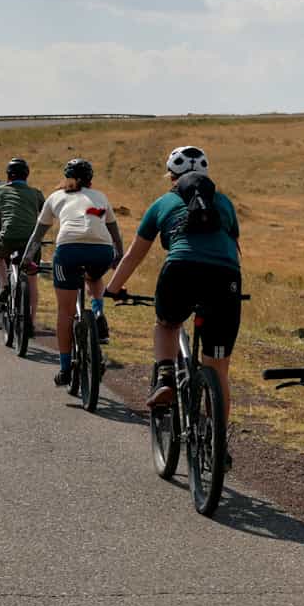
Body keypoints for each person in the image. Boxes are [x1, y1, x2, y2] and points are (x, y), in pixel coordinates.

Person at [103, 146, 242, 424]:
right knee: (218, 367)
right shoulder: (224, 203)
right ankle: (219, 444)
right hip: (226, 277)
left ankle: (166, 376)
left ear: (171, 176)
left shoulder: (162, 203)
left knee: (167, 323)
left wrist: (113, 288)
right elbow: (234, 248)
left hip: (180, 270)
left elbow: (133, 255)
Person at [21, 158, 123, 387]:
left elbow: (37, 235)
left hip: (69, 250)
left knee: (65, 312)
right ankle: (97, 311)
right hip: (102, 251)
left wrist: (27, 258)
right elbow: (115, 232)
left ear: (66, 178)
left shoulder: (55, 197)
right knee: (94, 276)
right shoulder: (100, 197)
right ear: (91, 179)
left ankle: (65, 368)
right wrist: (118, 257)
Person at [0, 157, 44, 297]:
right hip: (31, 239)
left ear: (8, 175)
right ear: (27, 175)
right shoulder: (36, 193)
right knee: (32, 278)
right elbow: (45, 217)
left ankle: (4, 284)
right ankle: (30, 317)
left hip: (8, 236)